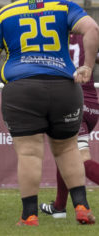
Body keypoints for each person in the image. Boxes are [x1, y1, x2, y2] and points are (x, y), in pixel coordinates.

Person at [0, 0, 99, 226]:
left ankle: (29, 215)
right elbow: (92, 28)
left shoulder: (5, 13)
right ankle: (82, 206)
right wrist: (87, 67)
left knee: (29, 154)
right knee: (68, 149)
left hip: (22, 88)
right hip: (64, 87)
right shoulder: (64, 6)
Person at [40, 34, 99, 219]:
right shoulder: (88, 36)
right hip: (92, 104)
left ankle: (60, 207)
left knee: (79, 158)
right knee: (65, 152)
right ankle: (59, 207)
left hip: (72, 102)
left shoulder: (53, 37)